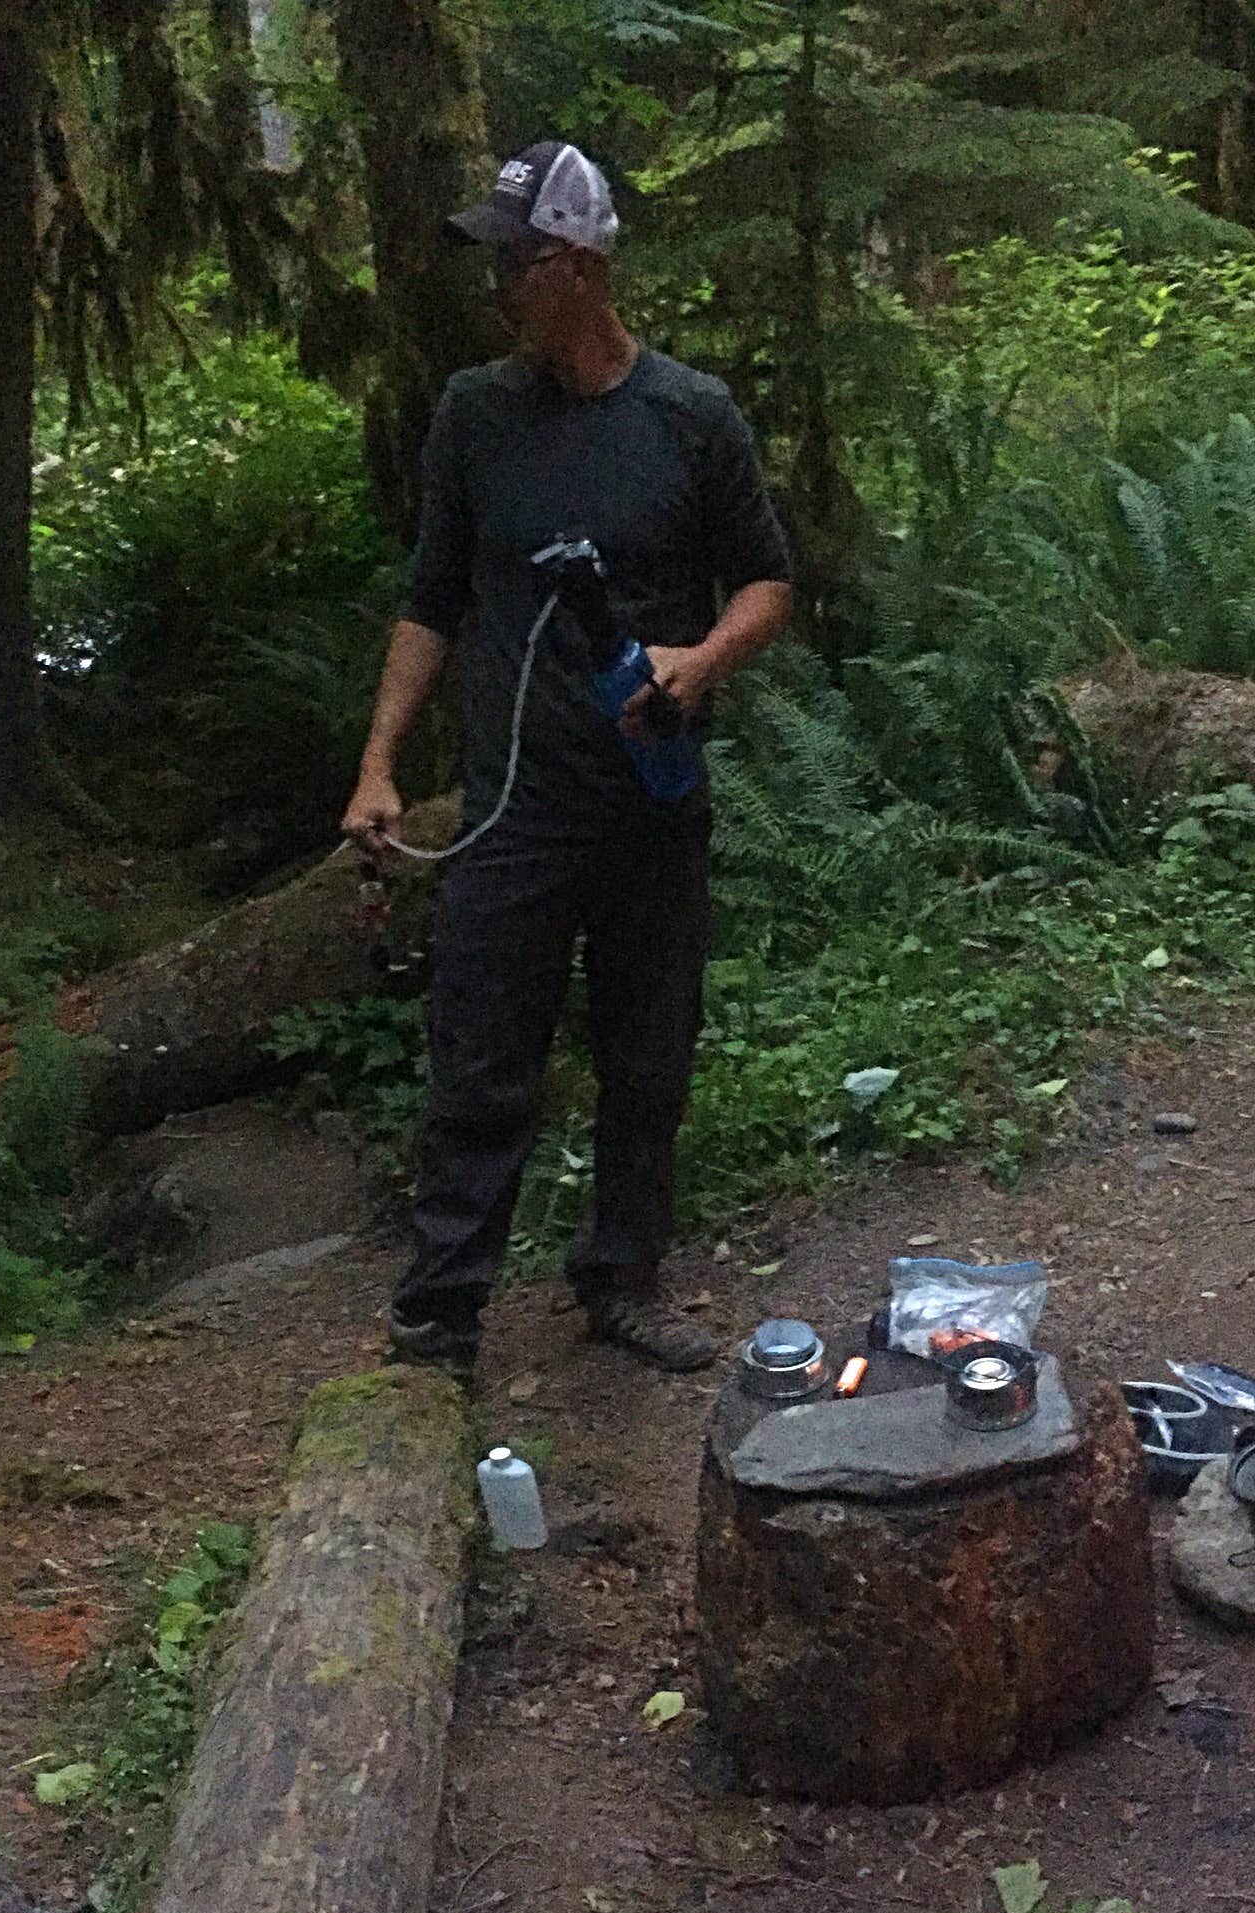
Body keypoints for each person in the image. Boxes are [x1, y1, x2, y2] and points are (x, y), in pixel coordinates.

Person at [344, 139, 797, 1378]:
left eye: (519, 261)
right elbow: (429, 600)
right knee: (482, 1063)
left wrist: (698, 663)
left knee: (647, 1060)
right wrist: (378, 764)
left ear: (581, 264)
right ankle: (439, 1318)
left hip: (651, 800)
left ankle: (623, 1278)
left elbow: (768, 579)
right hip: (514, 810)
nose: (498, 288)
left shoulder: (690, 417)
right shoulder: (475, 415)